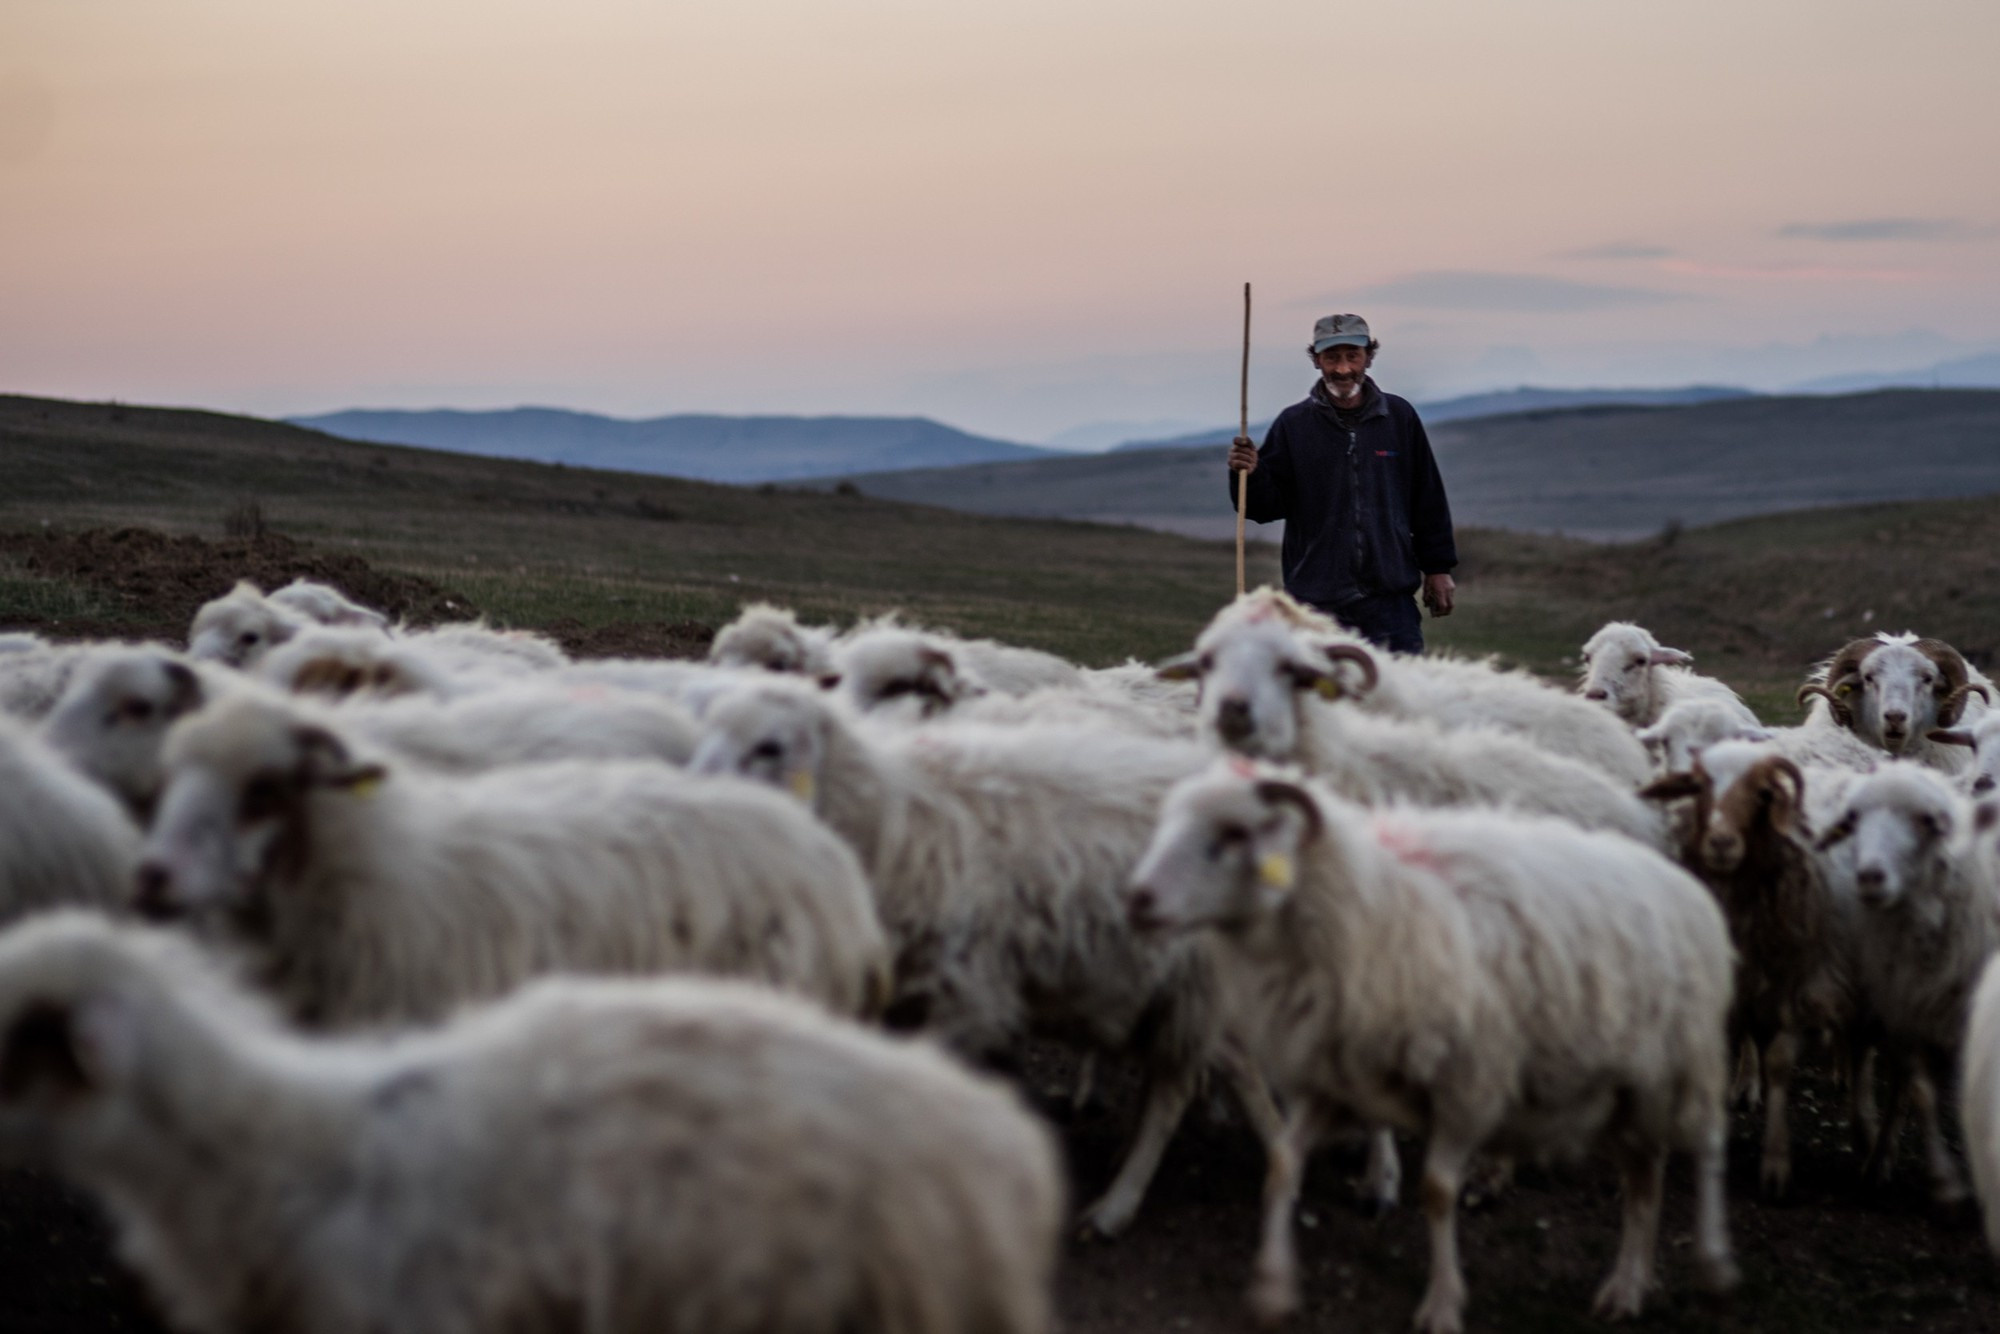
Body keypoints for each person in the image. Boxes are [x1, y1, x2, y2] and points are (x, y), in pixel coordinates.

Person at [1226, 312, 1457, 654]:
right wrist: (1249, 472)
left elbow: (1427, 498)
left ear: (1369, 357)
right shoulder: (1294, 425)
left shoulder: (1398, 417)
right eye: (1332, 357)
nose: (1343, 368)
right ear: (1317, 360)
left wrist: (1438, 569)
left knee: (1398, 703)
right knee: (1322, 704)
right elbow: (1263, 508)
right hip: (1316, 605)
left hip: (1389, 601)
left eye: (1353, 356)